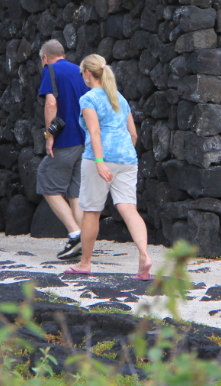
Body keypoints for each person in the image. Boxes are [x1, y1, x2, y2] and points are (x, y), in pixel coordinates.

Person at [63, 54, 152, 281]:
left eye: (82, 72)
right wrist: (122, 154)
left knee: (91, 211)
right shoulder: (119, 98)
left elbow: (94, 132)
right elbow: (133, 134)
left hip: (97, 159)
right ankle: (144, 256)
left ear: (87, 74)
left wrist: (101, 162)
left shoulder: (89, 98)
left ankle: (85, 263)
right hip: (127, 158)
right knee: (129, 209)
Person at [37, 40, 89, 260]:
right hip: (85, 141)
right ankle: (84, 242)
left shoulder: (50, 70)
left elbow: (51, 104)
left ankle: (75, 233)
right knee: (75, 194)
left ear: (45, 58)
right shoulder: (80, 71)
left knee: (46, 180)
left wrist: (50, 136)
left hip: (65, 140)